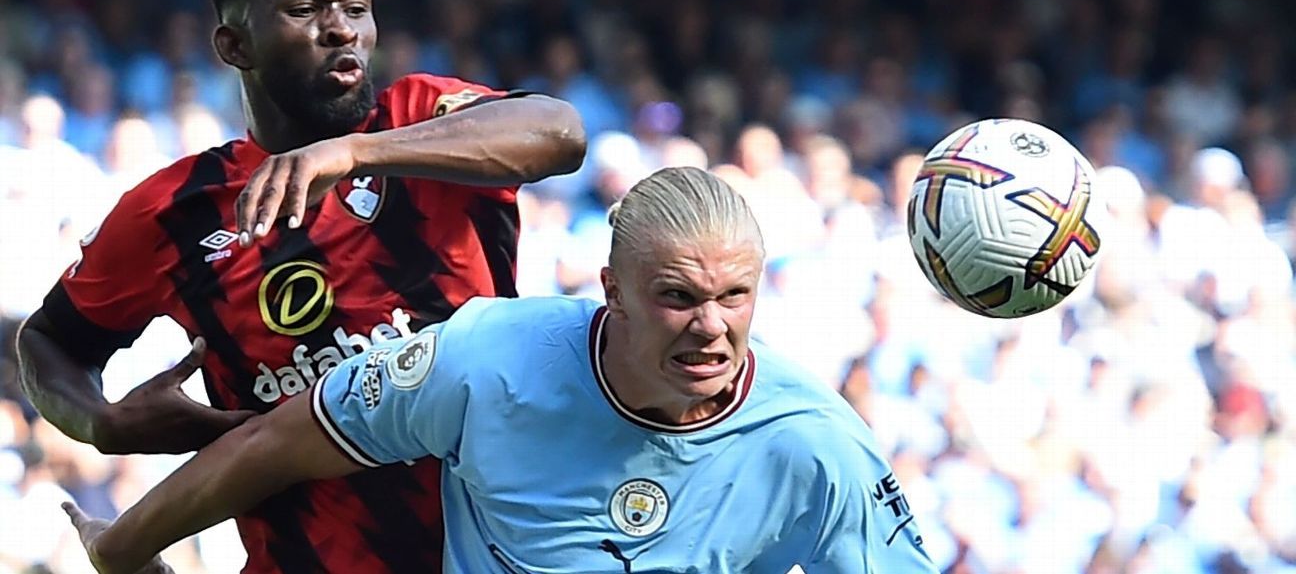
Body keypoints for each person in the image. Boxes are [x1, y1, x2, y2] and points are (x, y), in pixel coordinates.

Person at [16, 0, 586, 573]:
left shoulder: (418, 123)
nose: (341, 27)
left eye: (356, 6)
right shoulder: (174, 209)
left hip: (489, 553)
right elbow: (48, 343)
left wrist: (354, 152)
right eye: (305, 7)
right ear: (235, 45)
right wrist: (100, 423)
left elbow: (559, 131)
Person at [62, 167, 937, 574]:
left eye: (735, 296)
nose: (712, 328)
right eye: (678, 297)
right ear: (613, 292)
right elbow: (276, 445)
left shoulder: (818, 448)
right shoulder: (487, 360)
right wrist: (124, 547)